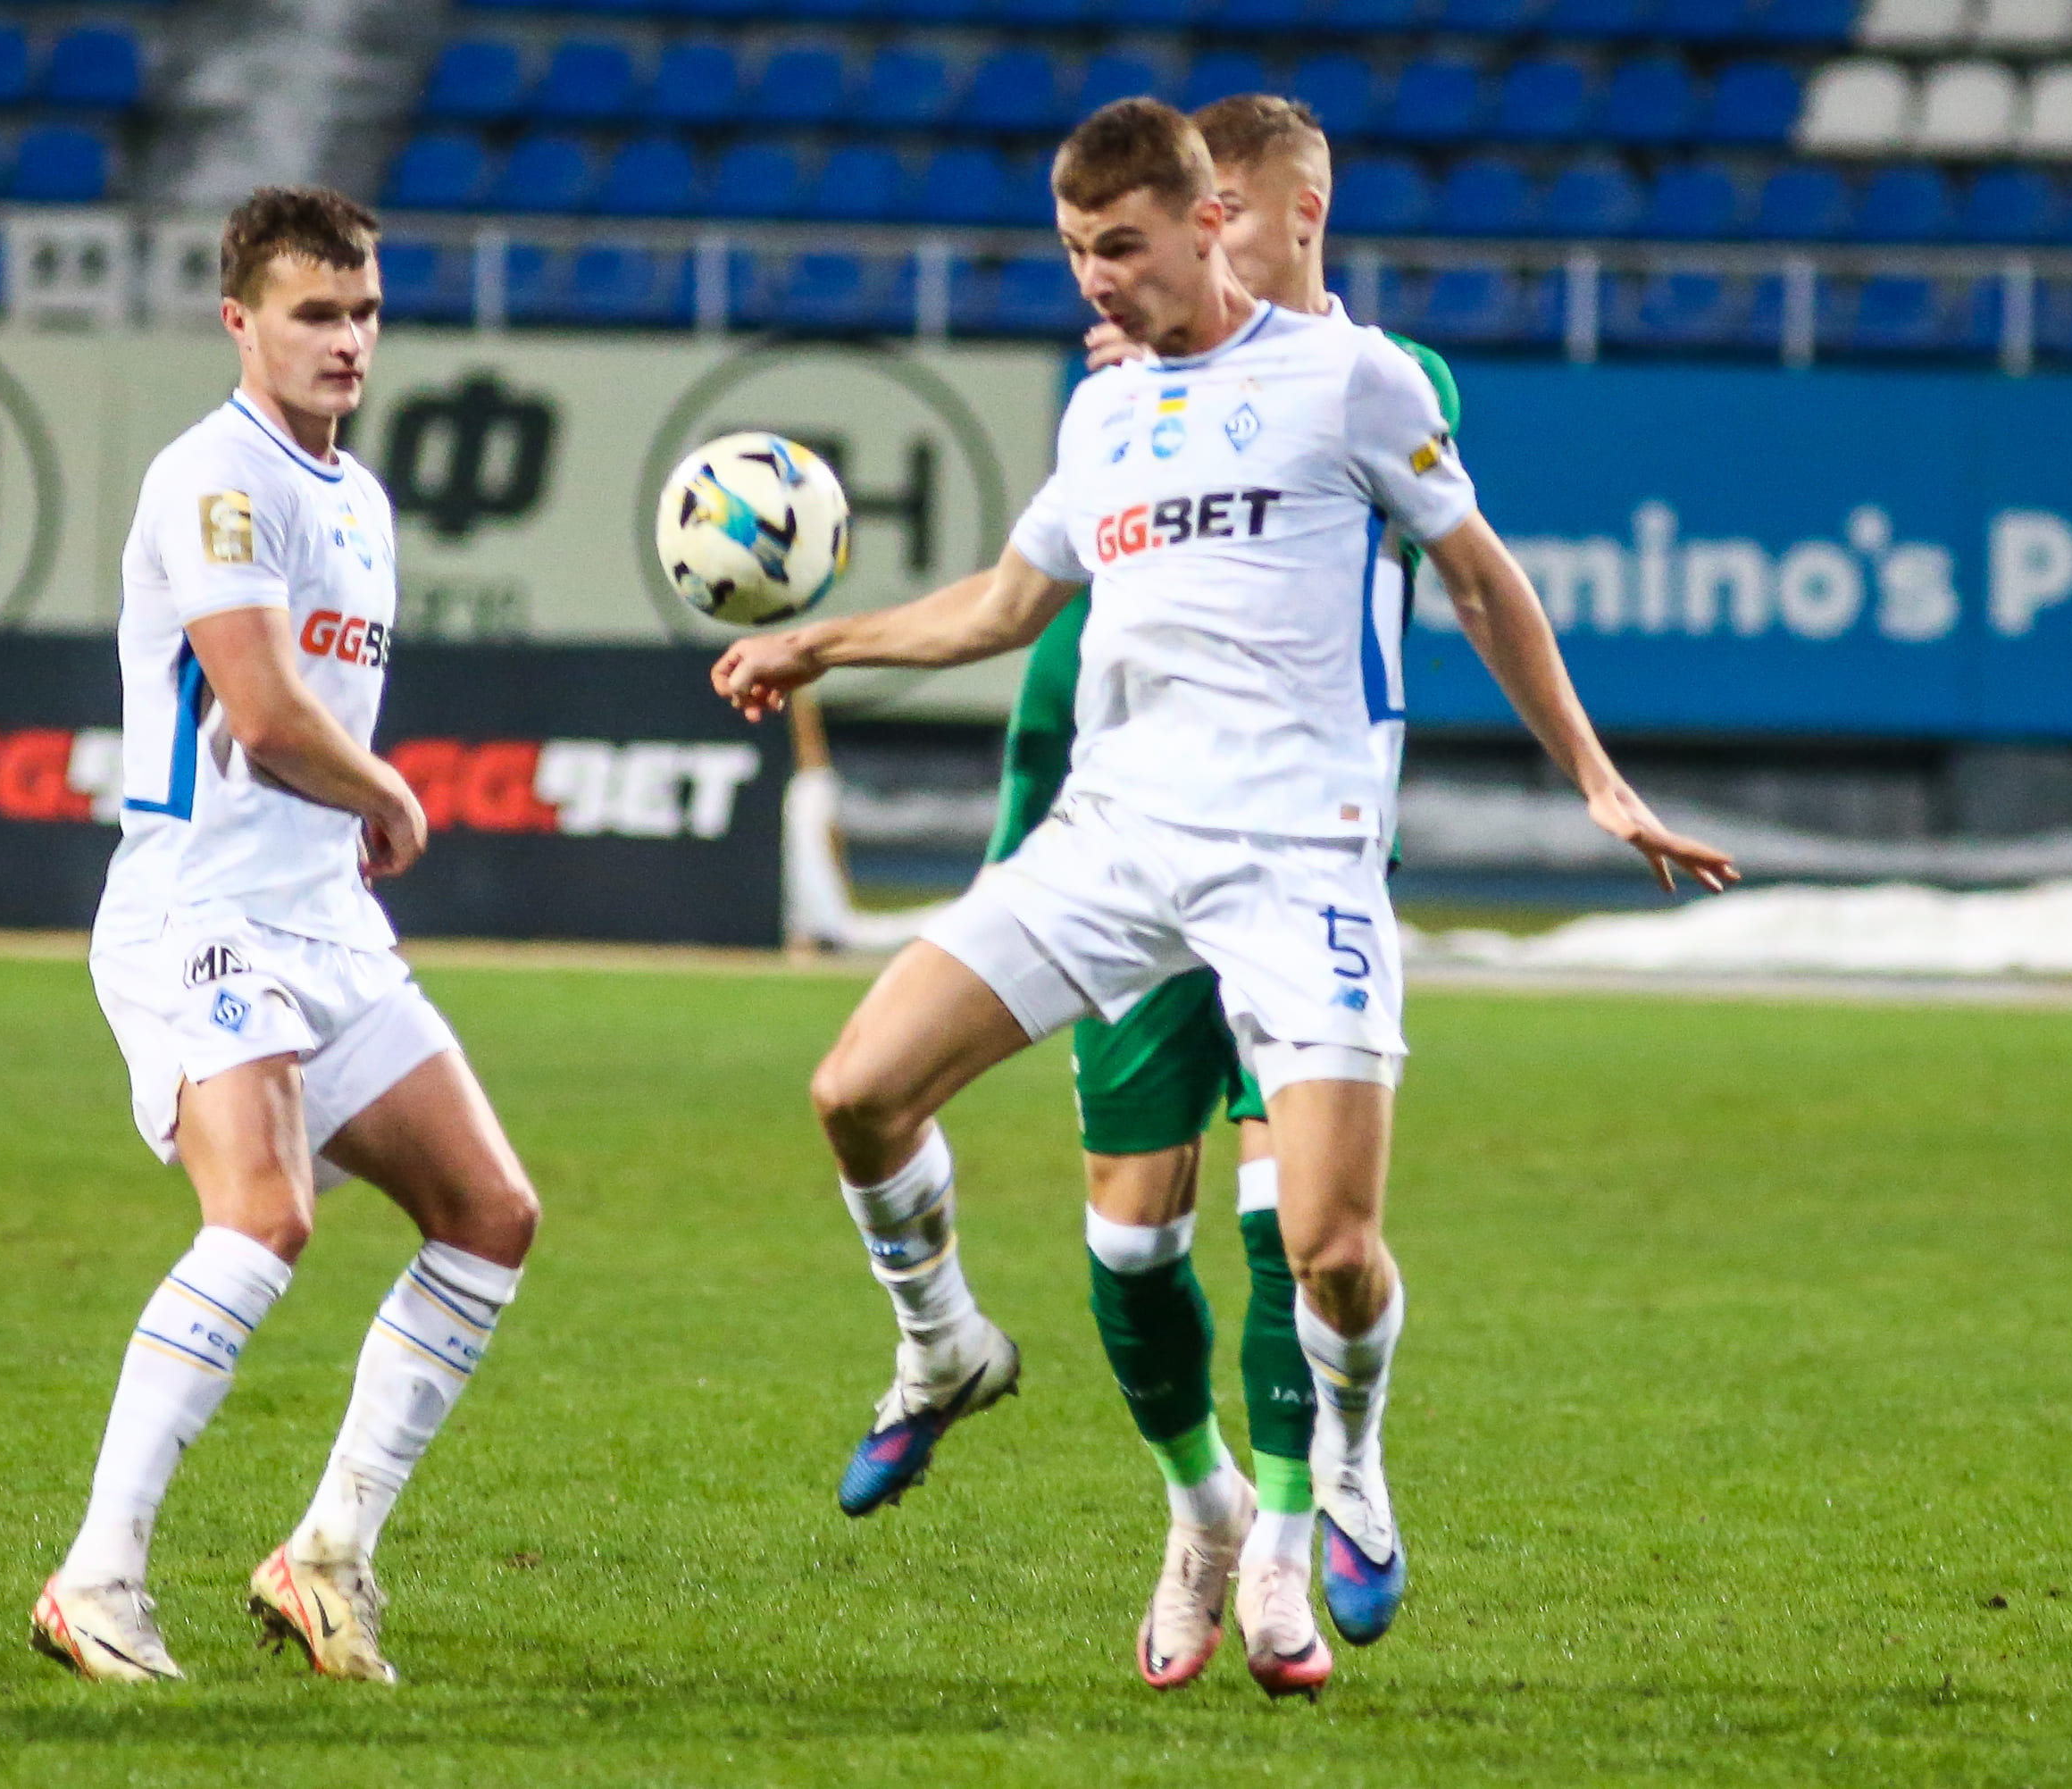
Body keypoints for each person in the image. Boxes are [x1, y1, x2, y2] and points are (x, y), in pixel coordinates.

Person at [713, 99, 1734, 1696]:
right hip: (1113, 845)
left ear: (1207, 222)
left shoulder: (1351, 381)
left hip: (1294, 860)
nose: (1094, 279)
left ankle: (1347, 1459)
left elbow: (1480, 578)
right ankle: (943, 1345)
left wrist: (1596, 781)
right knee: (856, 1090)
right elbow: (1007, 603)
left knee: (1327, 1246)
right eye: (1073, 251)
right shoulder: (1103, 413)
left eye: (1118, 246)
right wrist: (817, 642)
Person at [986, 93, 1466, 1699]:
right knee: (1128, 1235)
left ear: (1291, 217)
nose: (1199, 246)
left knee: (1295, 1225)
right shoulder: (1132, 399)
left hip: (1299, 860)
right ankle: (1198, 1511)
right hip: (1142, 854)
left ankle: (1283, 1541)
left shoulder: (1386, 380)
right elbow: (1038, 633)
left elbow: (1432, 517)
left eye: (1227, 216)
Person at [33, 186, 540, 1687]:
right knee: (262, 1217)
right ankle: (95, 1578)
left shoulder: (359, 497)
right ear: (239, 321)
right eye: (315, 313)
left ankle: (324, 1556)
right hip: (200, 913)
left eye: (364, 311)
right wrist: (386, 787)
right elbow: (258, 713)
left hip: (325, 922)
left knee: (490, 1212)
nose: (347, 339)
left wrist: (353, 814)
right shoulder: (215, 477)